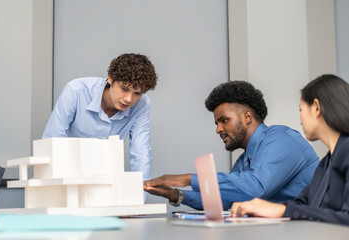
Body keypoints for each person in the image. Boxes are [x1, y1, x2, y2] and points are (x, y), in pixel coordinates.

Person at [144, 81, 319, 209]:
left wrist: (187, 179)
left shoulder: (281, 139)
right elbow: (228, 200)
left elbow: (255, 188)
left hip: (310, 229)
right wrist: (176, 195)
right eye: (216, 124)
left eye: (224, 120)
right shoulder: (244, 160)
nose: (218, 129)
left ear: (247, 117)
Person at [230, 74, 349, 225]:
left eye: (301, 109)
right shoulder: (326, 163)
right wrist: (265, 208)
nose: (300, 119)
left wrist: (282, 210)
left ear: (317, 108)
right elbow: (302, 205)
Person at [43, 53, 158, 181]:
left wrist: (139, 195)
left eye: (137, 93)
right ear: (110, 79)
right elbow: (53, 141)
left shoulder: (142, 104)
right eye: (124, 89)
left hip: (103, 184)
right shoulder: (76, 91)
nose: (128, 99)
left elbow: (140, 153)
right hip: (62, 178)